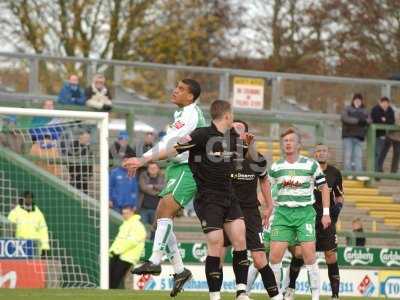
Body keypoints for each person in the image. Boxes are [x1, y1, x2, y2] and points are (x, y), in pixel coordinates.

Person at [126, 100, 252, 300]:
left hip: (230, 197)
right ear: (227, 116)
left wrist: (245, 149)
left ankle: (242, 292)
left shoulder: (234, 137)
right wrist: (143, 160)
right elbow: (172, 149)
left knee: (240, 241)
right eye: (232, 114)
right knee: (216, 244)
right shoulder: (201, 135)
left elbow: (236, 162)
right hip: (208, 198)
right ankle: (214, 296)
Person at [126, 79, 206, 297]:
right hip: (176, 168)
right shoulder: (181, 114)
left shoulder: (190, 114)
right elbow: (169, 143)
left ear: (190, 96)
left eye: (180, 89)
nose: (175, 91)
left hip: (189, 169)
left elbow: (170, 143)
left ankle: (155, 260)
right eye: (176, 87)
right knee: (163, 214)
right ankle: (180, 271)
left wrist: (142, 159)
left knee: (165, 210)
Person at [268, 128, 331, 300]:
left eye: (291, 140)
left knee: (309, 255)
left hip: (304, 214)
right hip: (282, 214)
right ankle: (277, 295)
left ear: (298, 144)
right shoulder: (275, 167)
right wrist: (266, 209)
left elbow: (324, 188)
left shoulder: (311, 165)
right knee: (274, 257)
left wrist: (326, 213)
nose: (288, 143)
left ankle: (316, 296)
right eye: (285, 141)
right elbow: (267, 190)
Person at [223, 120, 282, 300]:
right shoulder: (223, 156)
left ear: (247, 133)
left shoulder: (257, 158)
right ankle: (233, 293)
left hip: (250, 212)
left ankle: (276, 296)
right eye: (232, 128)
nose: (235, 130)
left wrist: (269, 205)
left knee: (259, 258)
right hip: (227, 210)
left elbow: (264, 181)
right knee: (217, 252)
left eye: (239, 128)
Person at [284, 143, 344, 300]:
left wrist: (337, 210)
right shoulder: (307, 171)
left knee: (331, 255)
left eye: (324, 150)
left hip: (326, 221)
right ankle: (290, 288)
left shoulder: (335, 173)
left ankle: (335, 295)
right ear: (314, 154)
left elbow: (339, 196)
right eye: (318, 151)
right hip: (307, 218)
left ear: (328, 153)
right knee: (298, 253)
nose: (321, 153)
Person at [109, 206, 146, 289]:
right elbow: (119, 240)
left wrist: (118, 250)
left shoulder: (137, 225)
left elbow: (133, 241)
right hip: (118, 254)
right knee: (110, 278)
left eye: (126, 213)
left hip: (128, 257)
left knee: (115, 279)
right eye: (123, 213)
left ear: (132, 213)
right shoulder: (126, 223)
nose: (124, 215)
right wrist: (112, 250)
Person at [7, 191, 50, 256]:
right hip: (20, 246)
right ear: (22, 199)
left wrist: (44, 247)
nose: (28, 199)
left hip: (34, 247)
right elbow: (9, 229)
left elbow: (43, 231)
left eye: (30, 197)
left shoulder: (38, 213)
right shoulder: (15, 212)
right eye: (26, 197)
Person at [341, 93, 369, 179]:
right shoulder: (347, 109)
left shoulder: (365, 110)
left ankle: (358, 173)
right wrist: (358, 121)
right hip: (348, 135)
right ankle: (348, 172)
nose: (357, 102)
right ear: (353, 101)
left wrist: (363, 121)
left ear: (361, 101)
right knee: (348, 155)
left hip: (359, 137)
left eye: (359, 100)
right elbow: (345, 118)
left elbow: (369, 120)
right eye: (356, 100)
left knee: (358, 156)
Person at [371, 96, 395, 171]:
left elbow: (392, 121)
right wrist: (384, 120)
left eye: (386, 103)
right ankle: (375, 170)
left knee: (381, 154)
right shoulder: (375, 109)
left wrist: (384, 119)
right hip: (375, 135)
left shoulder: (390, 110)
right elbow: (376, 119)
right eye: (383, 103)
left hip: (385, 136)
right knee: (377, 153)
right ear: (380, 103)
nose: (385, 104)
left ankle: (378, 169)